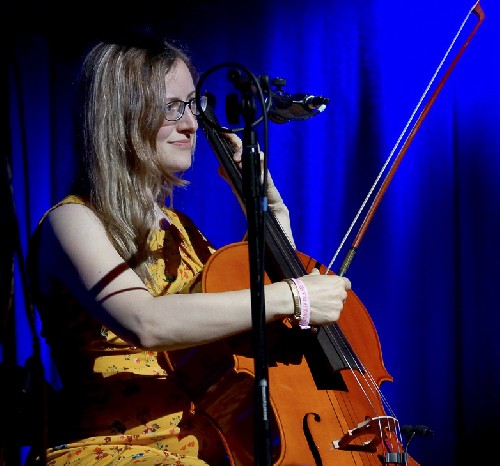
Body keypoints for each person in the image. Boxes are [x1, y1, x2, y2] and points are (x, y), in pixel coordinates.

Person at [26, 37, 351, 466]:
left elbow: (256, 312)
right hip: (113, 452)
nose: (193, 124)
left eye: (193, 105)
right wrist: (297, 296)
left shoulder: (182, 231)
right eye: (171, 107)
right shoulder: (72, 222)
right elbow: (145, 321)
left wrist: (271, 209)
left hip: (209, 447)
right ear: (120, 117)